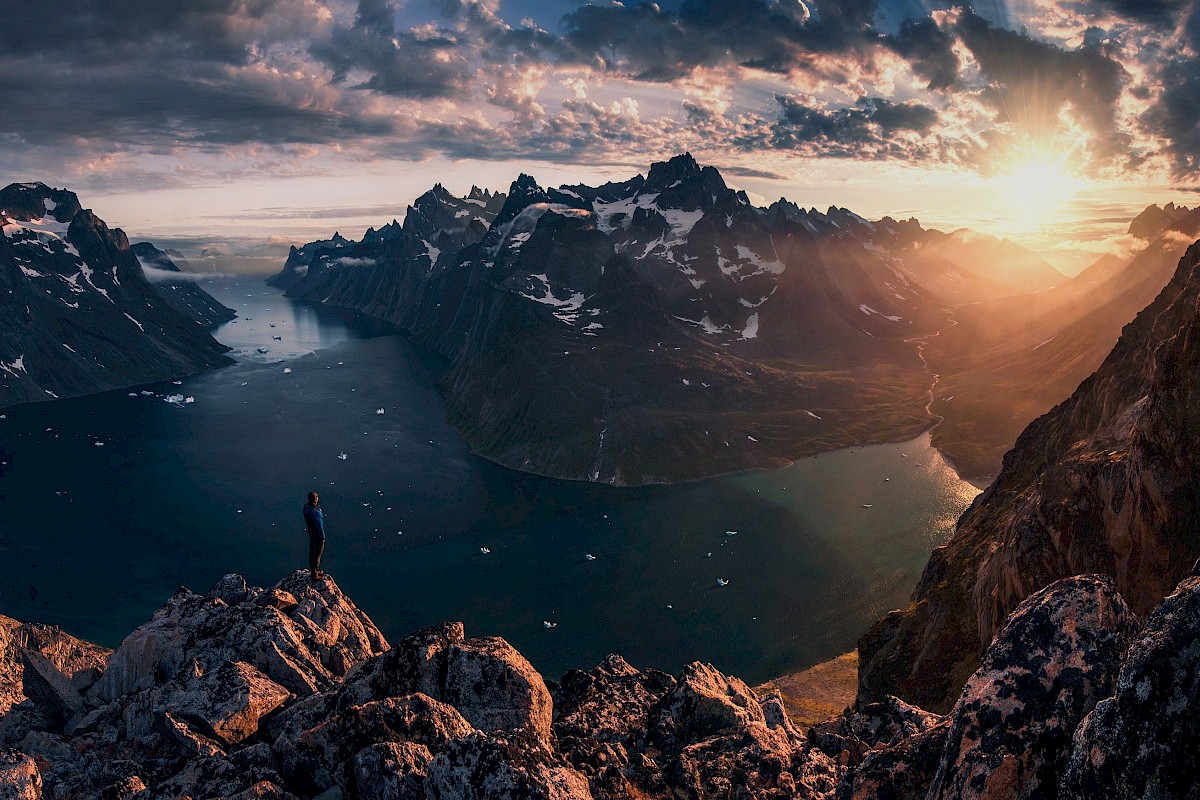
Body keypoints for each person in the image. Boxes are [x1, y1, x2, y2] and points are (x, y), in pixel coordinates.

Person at [303, 491, 326, 580]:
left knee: (312, 551)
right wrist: (322, 537)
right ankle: (314, 574)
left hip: (311, 533)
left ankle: (313, 570)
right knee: (317, 554)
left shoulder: (306, 509)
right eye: (317, 498)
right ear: (315, 499)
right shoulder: (315, 513)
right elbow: (319, 526)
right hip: (317, 535)